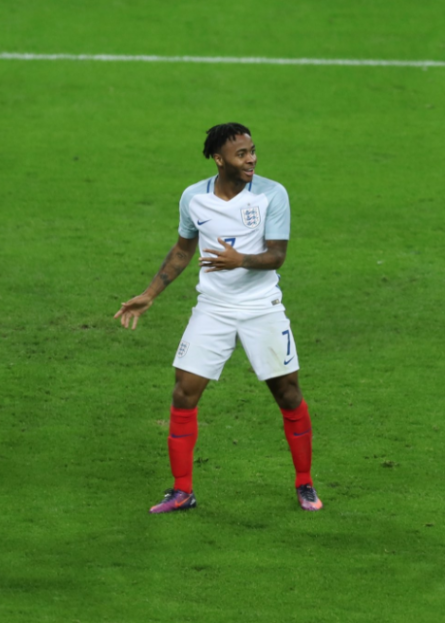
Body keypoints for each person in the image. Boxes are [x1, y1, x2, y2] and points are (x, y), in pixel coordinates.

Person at [114, 122, 321, 513]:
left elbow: (277, 255)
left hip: (261, 307)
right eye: (242, 154)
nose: (252, 158)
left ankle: (305, 483)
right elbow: (182, 249)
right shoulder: (194, 197)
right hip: (213, 309)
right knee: (183, 392)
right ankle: (182, 491)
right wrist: (149, 294)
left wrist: (238, 259)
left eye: (253, 150)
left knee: (288, 393)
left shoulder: (271, 194)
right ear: (219, 159)